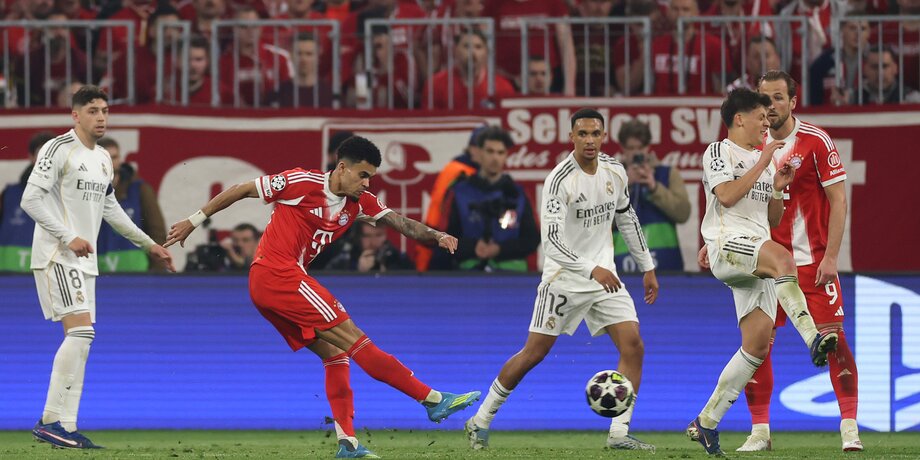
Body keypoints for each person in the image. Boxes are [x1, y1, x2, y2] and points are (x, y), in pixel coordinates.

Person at [164, 135, 480, 458]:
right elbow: (241, 189)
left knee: (335, 352)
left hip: (271, 283)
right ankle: (431, 399)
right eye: (363, 175)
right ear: (342, 168)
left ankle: (348, 443)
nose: (366, 183)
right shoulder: (301, 182)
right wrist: (194, 220)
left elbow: (401, 223)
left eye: (371, 177)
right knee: (356, 339)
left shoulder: (360, 202)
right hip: (278, 275)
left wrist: (437, 234)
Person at [465, 109, 660, 451]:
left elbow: (626, 218)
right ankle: (480, 420)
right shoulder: (559, 180)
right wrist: (591, 269)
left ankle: (618, 433)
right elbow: (552, 242)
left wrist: (647, 266)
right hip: (564, 278)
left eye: (595, 133)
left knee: (634, 345)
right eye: (582, 134)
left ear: (604, 136)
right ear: (572, 137)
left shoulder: (615, 171)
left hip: (604, 278)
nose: (589, 140)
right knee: (534, 353)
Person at [687, 88, 838, 455]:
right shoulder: (719, 151)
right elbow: (725, 196)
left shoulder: (765, 161)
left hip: (754, 250)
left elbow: (773, 220)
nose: (766, 124)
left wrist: (777, 189)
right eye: (760, 117)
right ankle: (812, 337)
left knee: (755, 347)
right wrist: (763, 162)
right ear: (739, 119)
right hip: (729, 244)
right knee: (784, 261)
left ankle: (706, 422)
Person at [25, 85, 175, 449]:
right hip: (57, 254)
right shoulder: (58, 148)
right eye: (93, 111)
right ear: (75, 115)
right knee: (81, 333)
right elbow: (31, 200)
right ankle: (49, 421)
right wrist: (67, 237)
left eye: (105, 110)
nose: (101, 117)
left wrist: (149, 244)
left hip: (84, 261)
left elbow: (111, 210)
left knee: (83, 341)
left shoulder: (104, 158)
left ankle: (67, 427)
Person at [733, 70, 862, 452]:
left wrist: (832, 257)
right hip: (765, 265)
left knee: (833, 342)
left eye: (777, 98)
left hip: (811, 263)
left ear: (793, 101)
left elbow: (839, 200)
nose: (770, 105)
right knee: (757, 348)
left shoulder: (815, 141)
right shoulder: (749, 144)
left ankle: (849, 427)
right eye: (764, 98)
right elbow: (735, 198)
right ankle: (760, 432)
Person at [437, 126, 539, 271]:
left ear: (506, 155)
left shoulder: (519, 194)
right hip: (468, 273)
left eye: (500, 152)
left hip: (512, 274)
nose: (495, 158)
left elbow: (532, 239)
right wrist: (473, 247)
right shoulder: (459, 192)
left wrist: (500, 249)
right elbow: (443, 237)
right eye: (490, 151)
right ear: (479, 153)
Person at [614, 119, 690, 272]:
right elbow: (597, 221)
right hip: (622, 267)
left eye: (640, 147)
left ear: (648, 147)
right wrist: (625, 186)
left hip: (666, 266)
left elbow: (683, 214)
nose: (636, 153)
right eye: (631, 148)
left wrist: (655, 188)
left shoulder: (668, 174)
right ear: (623, 148)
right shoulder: (613, 177)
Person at [416, 124, 486, 271]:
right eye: (487, 150)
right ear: (473, 149)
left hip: (437, 239)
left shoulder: (459, 168)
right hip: (442, 243)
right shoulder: (463, 173)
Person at [95, 138, 168, 272]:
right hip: (97, 272)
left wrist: (157, 271)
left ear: (120, 159)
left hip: (137, 274)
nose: (110, 162)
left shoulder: (140, 190)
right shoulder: (86, 192)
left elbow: (157, 231)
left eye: (114, 157)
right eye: (105, 158)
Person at [422, 28, 517, 109]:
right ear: (455, 51)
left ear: (487, 53)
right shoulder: (435, 85)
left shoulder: (503, 87)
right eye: (466, 46)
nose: (473, 53)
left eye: (478, 47)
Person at [0, 131, 54, 272]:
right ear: (31, 157)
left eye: (52, 154)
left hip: (52, 275)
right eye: (41, 153)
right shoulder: (8, 195)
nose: (46, 159)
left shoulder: (70, 195)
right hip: (9, 277)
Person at [267, 32, 334, 108]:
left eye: (309, 54)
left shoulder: (330, 95)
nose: (303, 59)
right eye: (299, 53)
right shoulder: (276, 95)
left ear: (318, 56)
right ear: (291, 55)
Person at [324, 221, 414, 272]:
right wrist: (357, 271)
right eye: (367, 236)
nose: (373, 242)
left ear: (385, 235)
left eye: (378, 235)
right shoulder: (344, 260)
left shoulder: (399, 259)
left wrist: (386, 275)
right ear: (359, 237)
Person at [851, 46, 920, 105]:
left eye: (884, 66)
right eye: (874, 67)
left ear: (895, 68)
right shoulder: (853, 98)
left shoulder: (911, 98)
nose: (880, 73)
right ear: (865, 69)